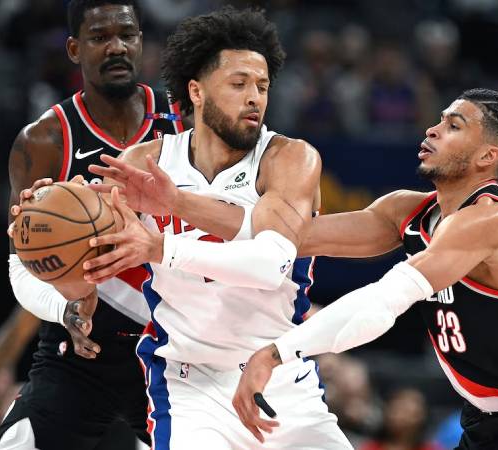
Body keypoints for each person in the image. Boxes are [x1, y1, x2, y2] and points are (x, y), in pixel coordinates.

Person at [81, 7, 352, 450]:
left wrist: (160, 246)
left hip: (280, 377)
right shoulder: (144, 163)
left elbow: (270, 265)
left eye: (262, 87)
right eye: (239, 83)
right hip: (191, 384)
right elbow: (84, 240)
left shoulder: (288, 159)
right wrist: (49, 212)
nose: (255, 98)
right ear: (197, 91)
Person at [233, 88, 498, 450]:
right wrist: (181, 217)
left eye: (453, 126)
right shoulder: (408, 212)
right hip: (486, 422)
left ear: (487, 156)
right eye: (439, 120)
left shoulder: (493, 220)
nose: (432, 130)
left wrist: (276, 353)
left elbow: (382, 302)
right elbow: (288, 238)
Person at [0, 1, 183, 449]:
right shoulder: (44, 140)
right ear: (74, 48)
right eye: (99, 37)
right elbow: (19, 267)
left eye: (127, 35)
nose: (116, 47)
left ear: (142, 41)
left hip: (174, 347)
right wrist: (64, 309)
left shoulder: (184, 123)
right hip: (83, 349)